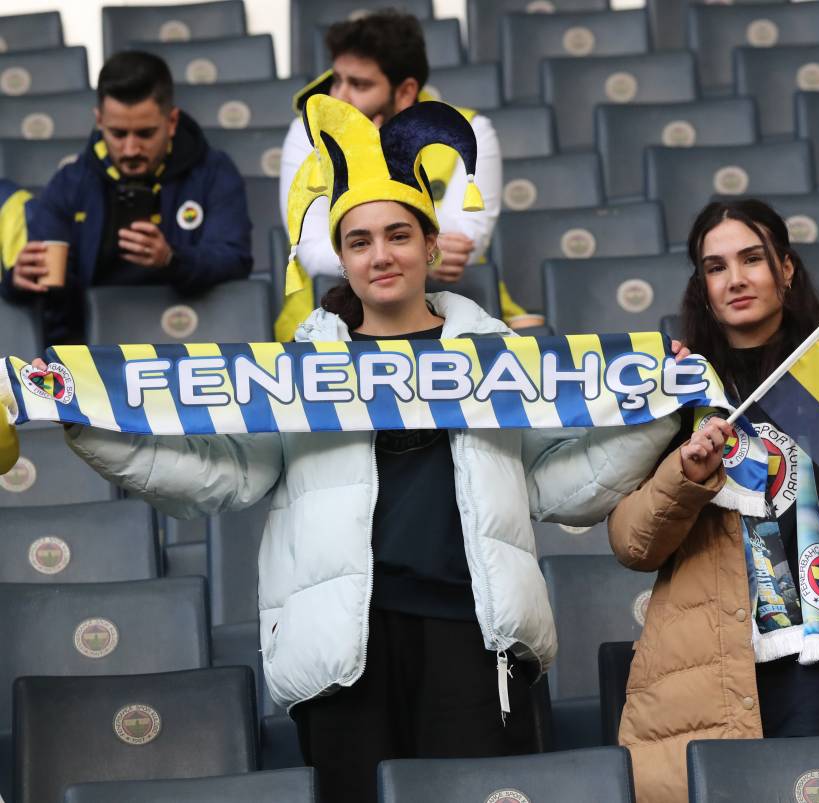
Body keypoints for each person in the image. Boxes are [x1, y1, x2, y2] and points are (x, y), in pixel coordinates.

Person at [50, 94, 677, 803]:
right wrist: (94, 428)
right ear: (341, 257)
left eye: (399, 234)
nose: (381, 255)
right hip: (341, 654)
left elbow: (561, 489)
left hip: (475, 640)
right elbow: (221, 475)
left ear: (432, 242)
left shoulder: (498, 354)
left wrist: (662, 416)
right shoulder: (301, 365)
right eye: (359, 240)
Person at [607, 199, 819, 803]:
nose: (736, 278)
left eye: (752, 259)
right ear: (703, 286)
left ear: (787, 269)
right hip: (705, 670)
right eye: (716, 267)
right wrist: (686, 473)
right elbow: (632, 543)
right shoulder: (675, 389)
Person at [276, 10, 534, 338]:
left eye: (360, 84)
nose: (340, 96)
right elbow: (312, 250)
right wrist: (410, 242)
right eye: (337, 79)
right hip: (324, 312)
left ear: (405, 91)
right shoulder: (309, 130)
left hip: (451, 312)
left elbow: (469, 239)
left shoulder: (467, 130)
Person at [0, 51, 252, 346]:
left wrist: (172, 259)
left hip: (195, 340)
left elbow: (235, 259)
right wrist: (18, 280)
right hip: (93, 349)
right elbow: (55, 294)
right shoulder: (71, 183)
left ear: (171, 121)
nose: (131, 149)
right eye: (118, 133)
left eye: (145, 134)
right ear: (99, 121)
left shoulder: (214, 173)